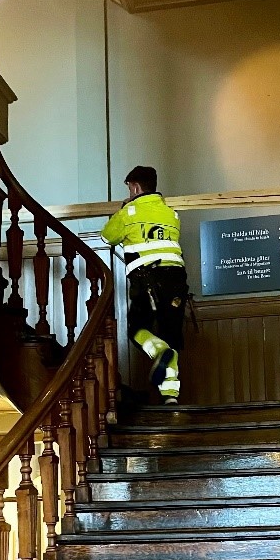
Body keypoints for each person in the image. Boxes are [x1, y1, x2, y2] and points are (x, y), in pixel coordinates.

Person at [102, 166, 188, 405]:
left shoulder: (129, 212)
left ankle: (160, 352)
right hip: (178, 280)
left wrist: (121, 211)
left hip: (148, 280)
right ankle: (170, 396)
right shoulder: (171, 214)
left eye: (130, 188)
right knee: (171, 334)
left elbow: (106, 237)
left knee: (137, 328)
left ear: (135, 187)